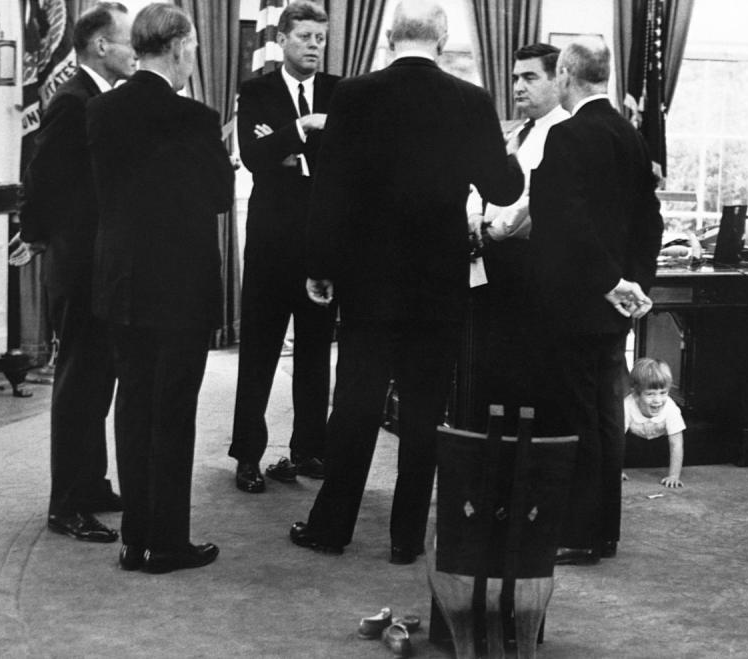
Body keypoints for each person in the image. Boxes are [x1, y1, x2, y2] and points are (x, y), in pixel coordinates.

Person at [289, 0, 523, 565]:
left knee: (356, 402)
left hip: (368, 278)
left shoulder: (353, 95)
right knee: (425, 411)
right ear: (441, 40)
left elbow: (330, 190)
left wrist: (320, 266)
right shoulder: (471, 99)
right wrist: (509, 157)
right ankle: (406, 538)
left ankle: (332, 528)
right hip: (439, 279)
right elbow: (504, 187)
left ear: (389, 37)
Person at [87, 2, 235, 573]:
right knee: (172, 414)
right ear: (177, 48)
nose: (195, 57)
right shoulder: (196, 119)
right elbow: (221, 199)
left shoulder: (100, 112)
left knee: (132, 407)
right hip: (180, 289)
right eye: (194, 47)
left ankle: (134, 540)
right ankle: (166, 544)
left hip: (121, 282)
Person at [529, 38, 663, 566]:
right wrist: (636, 283)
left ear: (565, 74)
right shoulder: (631, 137)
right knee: (606, 417)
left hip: (576, 302)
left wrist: (610, 282)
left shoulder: (566, 135)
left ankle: (579, 534)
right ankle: (604, 531)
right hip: (616, 306)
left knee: (576, 417)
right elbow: (648, 220)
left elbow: (564, 224)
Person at [11, 2, 134, 544]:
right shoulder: (72, 101)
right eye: (129, 41)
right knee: (80, 384)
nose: (136, 51)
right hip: (80, 266)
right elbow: (42, 176)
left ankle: (91, 485)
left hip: (97, 266)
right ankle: (65, 503)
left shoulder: (98, 100)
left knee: (98, 380)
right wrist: (39, 235)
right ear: (101, 46)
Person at [229, 1, 339, 494]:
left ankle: (309, 449)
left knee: (316, 353)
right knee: (258, 351)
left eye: (321, 38)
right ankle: (248, 455)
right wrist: (302, 130)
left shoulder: (341, 92)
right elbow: (254, 157)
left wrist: (287, 151)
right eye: (305, 38)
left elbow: (342, 164)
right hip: (272, 243)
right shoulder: (257, 90)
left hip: (320, 243)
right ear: (284, 39)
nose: (314, 46)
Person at [464, 42, 570, 434]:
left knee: (520, 370)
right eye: (514, 78)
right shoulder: (510, 129)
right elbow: (478, 180)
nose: (518, 87)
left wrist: (495, 229)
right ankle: (487, 463)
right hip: (488, 258)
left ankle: (515, 467)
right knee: (487, 366)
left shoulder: (564, 133)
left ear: (558, 79)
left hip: (528, 266)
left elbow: (532, 200)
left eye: (529, 77)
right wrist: (474, 215)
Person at [623, 358, 685, 488]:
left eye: (663, 393)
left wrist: (674, 476)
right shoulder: (627, 405)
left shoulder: (670, 408)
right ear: (636, 394)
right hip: (634, 443)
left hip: (661, 443)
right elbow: (615, 440)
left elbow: (676, 444)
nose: (658, 400)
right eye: (650, 394)